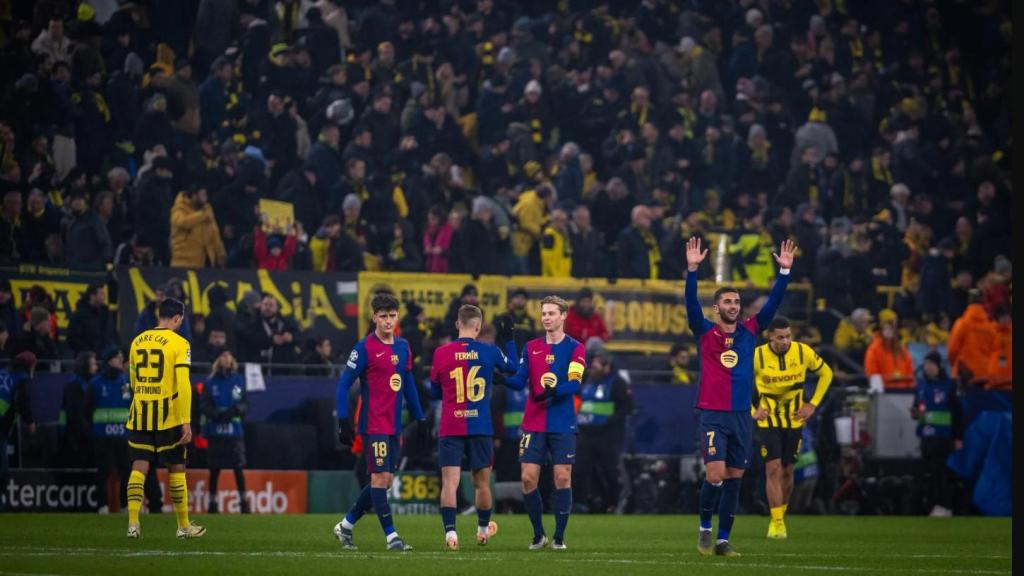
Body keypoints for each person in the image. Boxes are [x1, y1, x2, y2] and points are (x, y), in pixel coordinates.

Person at [685, 236, 795, 557]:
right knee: (715, 474)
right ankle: (705, 527)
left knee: (735, 477)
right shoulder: (705, 331)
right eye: (727, 302)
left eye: (736, 302)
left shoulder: (750, 331)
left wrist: (784, 273)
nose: (733, 306)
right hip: (713, 414)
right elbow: (690, 303)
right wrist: (692, 271)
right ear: (716, 307)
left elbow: (773, 305)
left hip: (742, 416)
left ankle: (723, 540)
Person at [333, 292, 426, 552]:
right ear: (374, 317)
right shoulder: (363, 348)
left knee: (385, 482)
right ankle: (392, 537)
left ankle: (345, 525)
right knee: (379, 478)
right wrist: (343, 419)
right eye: (383, 316)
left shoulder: (403, 346)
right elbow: (343, 384)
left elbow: (408, 384)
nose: (388, 321)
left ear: (397, 317)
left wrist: (420, 417)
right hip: (373, 424)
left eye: (392, 316)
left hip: (394, 425)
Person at [430, 304, 517, 549]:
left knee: (450, 482)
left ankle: (451, 535)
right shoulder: (489, 351)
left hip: (451, 425)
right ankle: (482, 531)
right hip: (480, 426)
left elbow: (434, 392)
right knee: (482, 483)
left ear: (458, 324)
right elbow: (514, 367)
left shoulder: (441, 353)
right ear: (478, 326)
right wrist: (510, 339)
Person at [504, 295, 587, 550]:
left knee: (562, 478)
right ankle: (539, 535)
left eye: (551, 313)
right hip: (534, 422)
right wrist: (499, 377)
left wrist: (553, 391)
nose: (546, 318)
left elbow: (575, 383)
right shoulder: (531, 347)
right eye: (544, 314)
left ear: (563, 316)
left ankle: (559, 538)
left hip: (562, 422)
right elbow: (519, 381)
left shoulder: (575, 348)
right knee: (528, 479)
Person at [124, 298, 205, 539]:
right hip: (167, 415)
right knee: (176, 467)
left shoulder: (137, 341)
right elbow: (184, 384)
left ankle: (133, 523)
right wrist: (186, 420)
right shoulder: (180, 343)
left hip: (140, 413)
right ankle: (183, 526)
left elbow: (133, 380)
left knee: (139, 466)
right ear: (177, 318)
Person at [752, 317, 833, 539]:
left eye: (788, 336)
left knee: (788, 470)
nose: (785, 341)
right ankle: (777, 522)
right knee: (773, 468)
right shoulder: (757, 356)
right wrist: (753, 410)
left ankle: (782, 513)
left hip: (795, 420)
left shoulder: (802, 351)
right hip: (768, 421)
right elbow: (737, 381)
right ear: (770, 337)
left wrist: (812, 404)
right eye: (780, 337)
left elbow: (827, 373)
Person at [575, 349, 633, 514]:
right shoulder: (587, 380)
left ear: (607, 365)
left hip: (606, 435)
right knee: (581, 469)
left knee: (609, 470)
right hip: (585, 433)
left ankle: (612, 503)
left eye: (597, 363)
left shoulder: (617, 383)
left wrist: (610, 421)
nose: (593, 366)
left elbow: (626, 407)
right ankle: (583, 503)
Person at [911, 352, 963, 517]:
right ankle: (933, 505)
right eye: (926, 364)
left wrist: (958, 437)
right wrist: (915, 413)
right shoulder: (921, 386)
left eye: (931, 364)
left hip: (943, 436)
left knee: (940, 472)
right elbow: (918, 407)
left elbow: (957, 413)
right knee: (928, 473)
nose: (928, 367)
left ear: (938, 366)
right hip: (926, 436)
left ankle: (943, 505)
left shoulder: (949, 385)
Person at [201, 349, 250, 514]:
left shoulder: (238, 380)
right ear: (217, 360)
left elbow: (245, 403)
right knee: (214, 469)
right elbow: (204, 405)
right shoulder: (210, 382)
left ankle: (244, 504)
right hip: (216, 431)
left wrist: (235, 410)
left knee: (238, 468)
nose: (226, 358)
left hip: (234, 431)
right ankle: (212, 504)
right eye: (223, 355)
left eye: (229, 355)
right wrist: (216, 414)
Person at [87, 346, 134, 514]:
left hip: (122, 435)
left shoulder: (126, 382)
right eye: (117, 358)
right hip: (102, 436)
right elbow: (88, 410)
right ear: (108, 361)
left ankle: (125, 506)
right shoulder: (96, 384)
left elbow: (131, 407)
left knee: (126, 471)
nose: (121, 360)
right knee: (103, 471)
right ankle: (102, 506)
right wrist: (91, 431)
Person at [0, 352, 36, 510]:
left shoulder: (3, 373)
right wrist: (30, 421)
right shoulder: (22, 378)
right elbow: (22, 401)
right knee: (2, 468)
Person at [864, 308, 914, 392]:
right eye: (886, 327)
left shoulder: (902, 349)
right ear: (881, 328)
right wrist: (879, 390)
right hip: (884, 392)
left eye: (892, 327)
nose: (889, 331)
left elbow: (909, 370)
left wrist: (910, 389)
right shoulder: (874, 349)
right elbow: (872, 372)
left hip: (903, 392)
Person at [491, 288, 536, 354]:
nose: (519, 300)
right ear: (512, 299)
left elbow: (532, 341)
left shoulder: (530, 321)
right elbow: (494, 332)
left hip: (522, 357)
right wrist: (507, 311)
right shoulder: (503, 316)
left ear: (526, 301)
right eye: (517, 297)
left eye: (522, 298)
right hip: (504, 355)